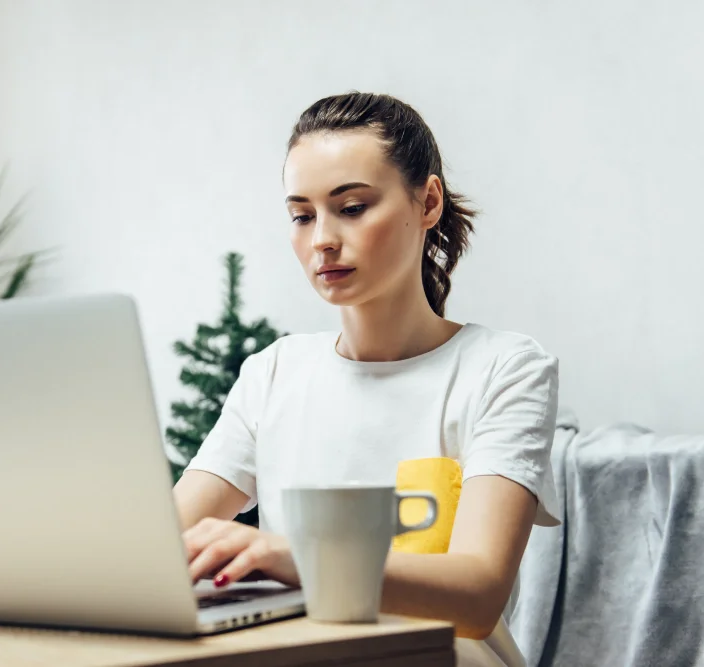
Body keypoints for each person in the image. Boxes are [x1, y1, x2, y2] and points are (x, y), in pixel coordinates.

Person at [172, 92, 560, 667]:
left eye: (351, 207)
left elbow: (478, 595)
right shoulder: (274, 372)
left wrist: (290, 555)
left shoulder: (504, 368)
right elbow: (158, 547)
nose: (322, 238)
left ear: (427, 203)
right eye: (302, 216)